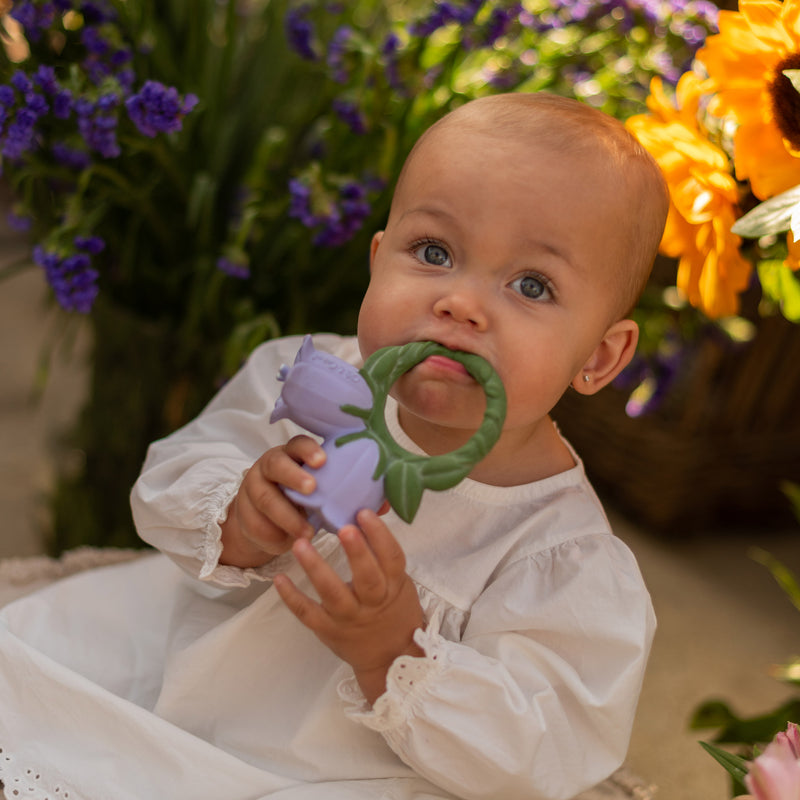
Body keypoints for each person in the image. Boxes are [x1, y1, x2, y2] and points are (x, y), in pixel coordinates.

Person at [0, 92, 668, 800]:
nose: (461, 303)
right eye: (434, 252)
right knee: (33, 683)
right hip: (177, 663)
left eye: (531, 285)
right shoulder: (315, 383)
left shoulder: (561, 559)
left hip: (335, 769)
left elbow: (546, 753)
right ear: (379, 261)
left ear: (599, 355)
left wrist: (400, 651)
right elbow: (172, 476)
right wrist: (238, 516)